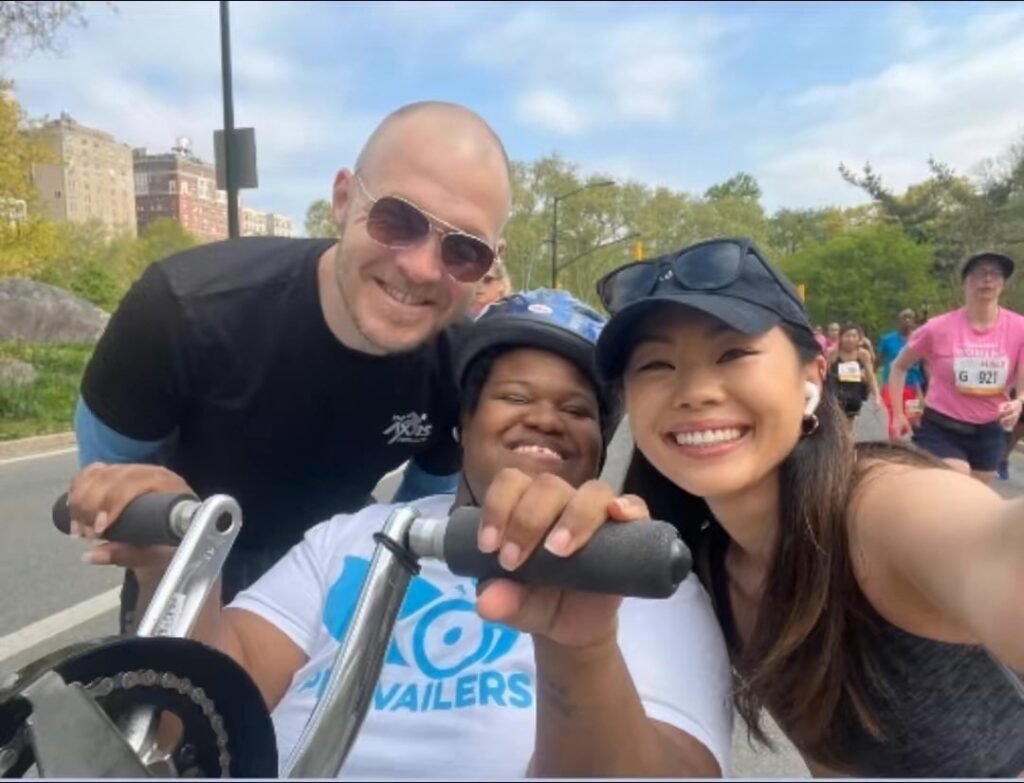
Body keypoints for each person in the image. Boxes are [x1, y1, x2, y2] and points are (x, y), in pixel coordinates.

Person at [66, 289, 734, 779]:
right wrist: (178, 570)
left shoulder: (638, 573)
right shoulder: (349, 538)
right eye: (514, 396)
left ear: (600, 442)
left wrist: (581, 647)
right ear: (462, 426)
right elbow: (202, 706)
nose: (545, 419)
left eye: (576, 408)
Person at [461, 238, 1024, 778]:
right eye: (656, 365)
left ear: (812, 376)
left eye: (733, 353)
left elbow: (994, 546)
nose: (695, 391)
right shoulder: (702, 562)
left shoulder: (878, 508)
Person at [73, 101, 513, 632]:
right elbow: (114, 476)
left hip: (336, 586)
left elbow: (419, 518)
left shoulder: (461, 366)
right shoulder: (180, 309)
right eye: (398, 219)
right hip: (185, 562)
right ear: (344, 199)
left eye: (464, 251)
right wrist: (134, 514)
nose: (420, 267)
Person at [890, 251, 1024, 484]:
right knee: (957, 482)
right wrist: (898, 415)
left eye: (995, 274)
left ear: (1002, 284)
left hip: (990, 429)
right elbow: (899, 367)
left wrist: (1019, 401)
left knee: (977, 499)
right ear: (966, 281)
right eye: (981, 273)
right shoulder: (937, 328)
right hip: (942, 427)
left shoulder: (1020, 328)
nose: (988, 279)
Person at [877, 308, 926, 437]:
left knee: (915, 420)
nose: (907, 320)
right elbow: (878, 361)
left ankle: (916, 452)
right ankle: (894, 451)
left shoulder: (919, 338)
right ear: (899, 321)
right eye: (904, 317)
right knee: (895, 421)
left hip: (913, 386)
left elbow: (925, 363)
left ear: (914, 321)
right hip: (892, 387)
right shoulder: (887, 340)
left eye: (910, 317)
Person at [825, 324, 880, 423]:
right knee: (836, 423)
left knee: (849, 423)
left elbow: (871, 376)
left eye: (854, 336)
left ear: (859, 338)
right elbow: (824, 375)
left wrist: (877, 396)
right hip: (836, 393)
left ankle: (846, 438)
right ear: (841, 337)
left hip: (854, 394)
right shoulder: (832, 353)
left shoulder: (863, 354)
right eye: (847, 336)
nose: (850, 339)